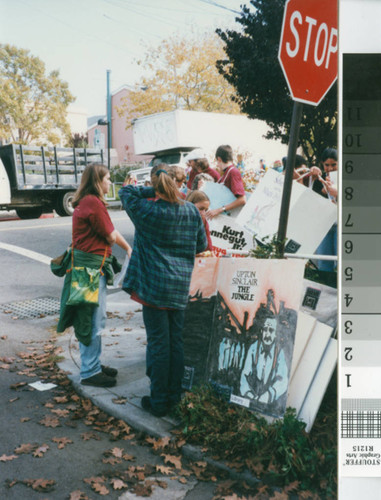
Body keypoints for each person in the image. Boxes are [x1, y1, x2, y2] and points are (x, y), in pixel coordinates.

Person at [119, 164, 207, 417]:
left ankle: (158, 402)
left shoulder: (147, 209)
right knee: (175, 343)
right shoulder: (191, 211)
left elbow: (126, 193)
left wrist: (152, 190)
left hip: (153, 287)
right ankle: (174, 398)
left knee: (158, 344)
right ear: (177, 183)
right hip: (180, 286)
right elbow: (200, 245)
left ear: (154, 184)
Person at [57, 164, 132, 388]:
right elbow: (110, 235)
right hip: (89, 272)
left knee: (93, 318)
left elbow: (112, 232)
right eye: (107, 178)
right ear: (97, 181)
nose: (110, 183)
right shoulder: (93, 202)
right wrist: (127, 248)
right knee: (91, 320)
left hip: (86, 269)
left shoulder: (89, 201)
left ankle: (94, 365)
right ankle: (90, 371)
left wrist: (129, 249)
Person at [240, 314, 288, 404]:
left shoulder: (279, 353)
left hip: (268, 402)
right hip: (251, 398)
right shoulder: (253, 349)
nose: (267, 334)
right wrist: (248, 393)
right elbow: (244, 374)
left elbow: (283, 380)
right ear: (261, 331)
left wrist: (269, 395)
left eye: (271, 330)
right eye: (265, 330)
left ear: (275, 334)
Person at [310, 148, 338, 272]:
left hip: (340, 225)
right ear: (322, 164)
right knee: (324, 264)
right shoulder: (318, 179)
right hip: (324, 225)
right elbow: (310, 194)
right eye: (327, 165)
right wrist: (313, 175)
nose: (330, 168)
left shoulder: (345, 179)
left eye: (334, 165)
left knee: (341, 262)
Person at [206, 144, 246, 219]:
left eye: (217, 162)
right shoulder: (226, 174)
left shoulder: (233, 172)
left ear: (219, 159)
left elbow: (242, 199)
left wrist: (219, 210)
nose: (217, 165)